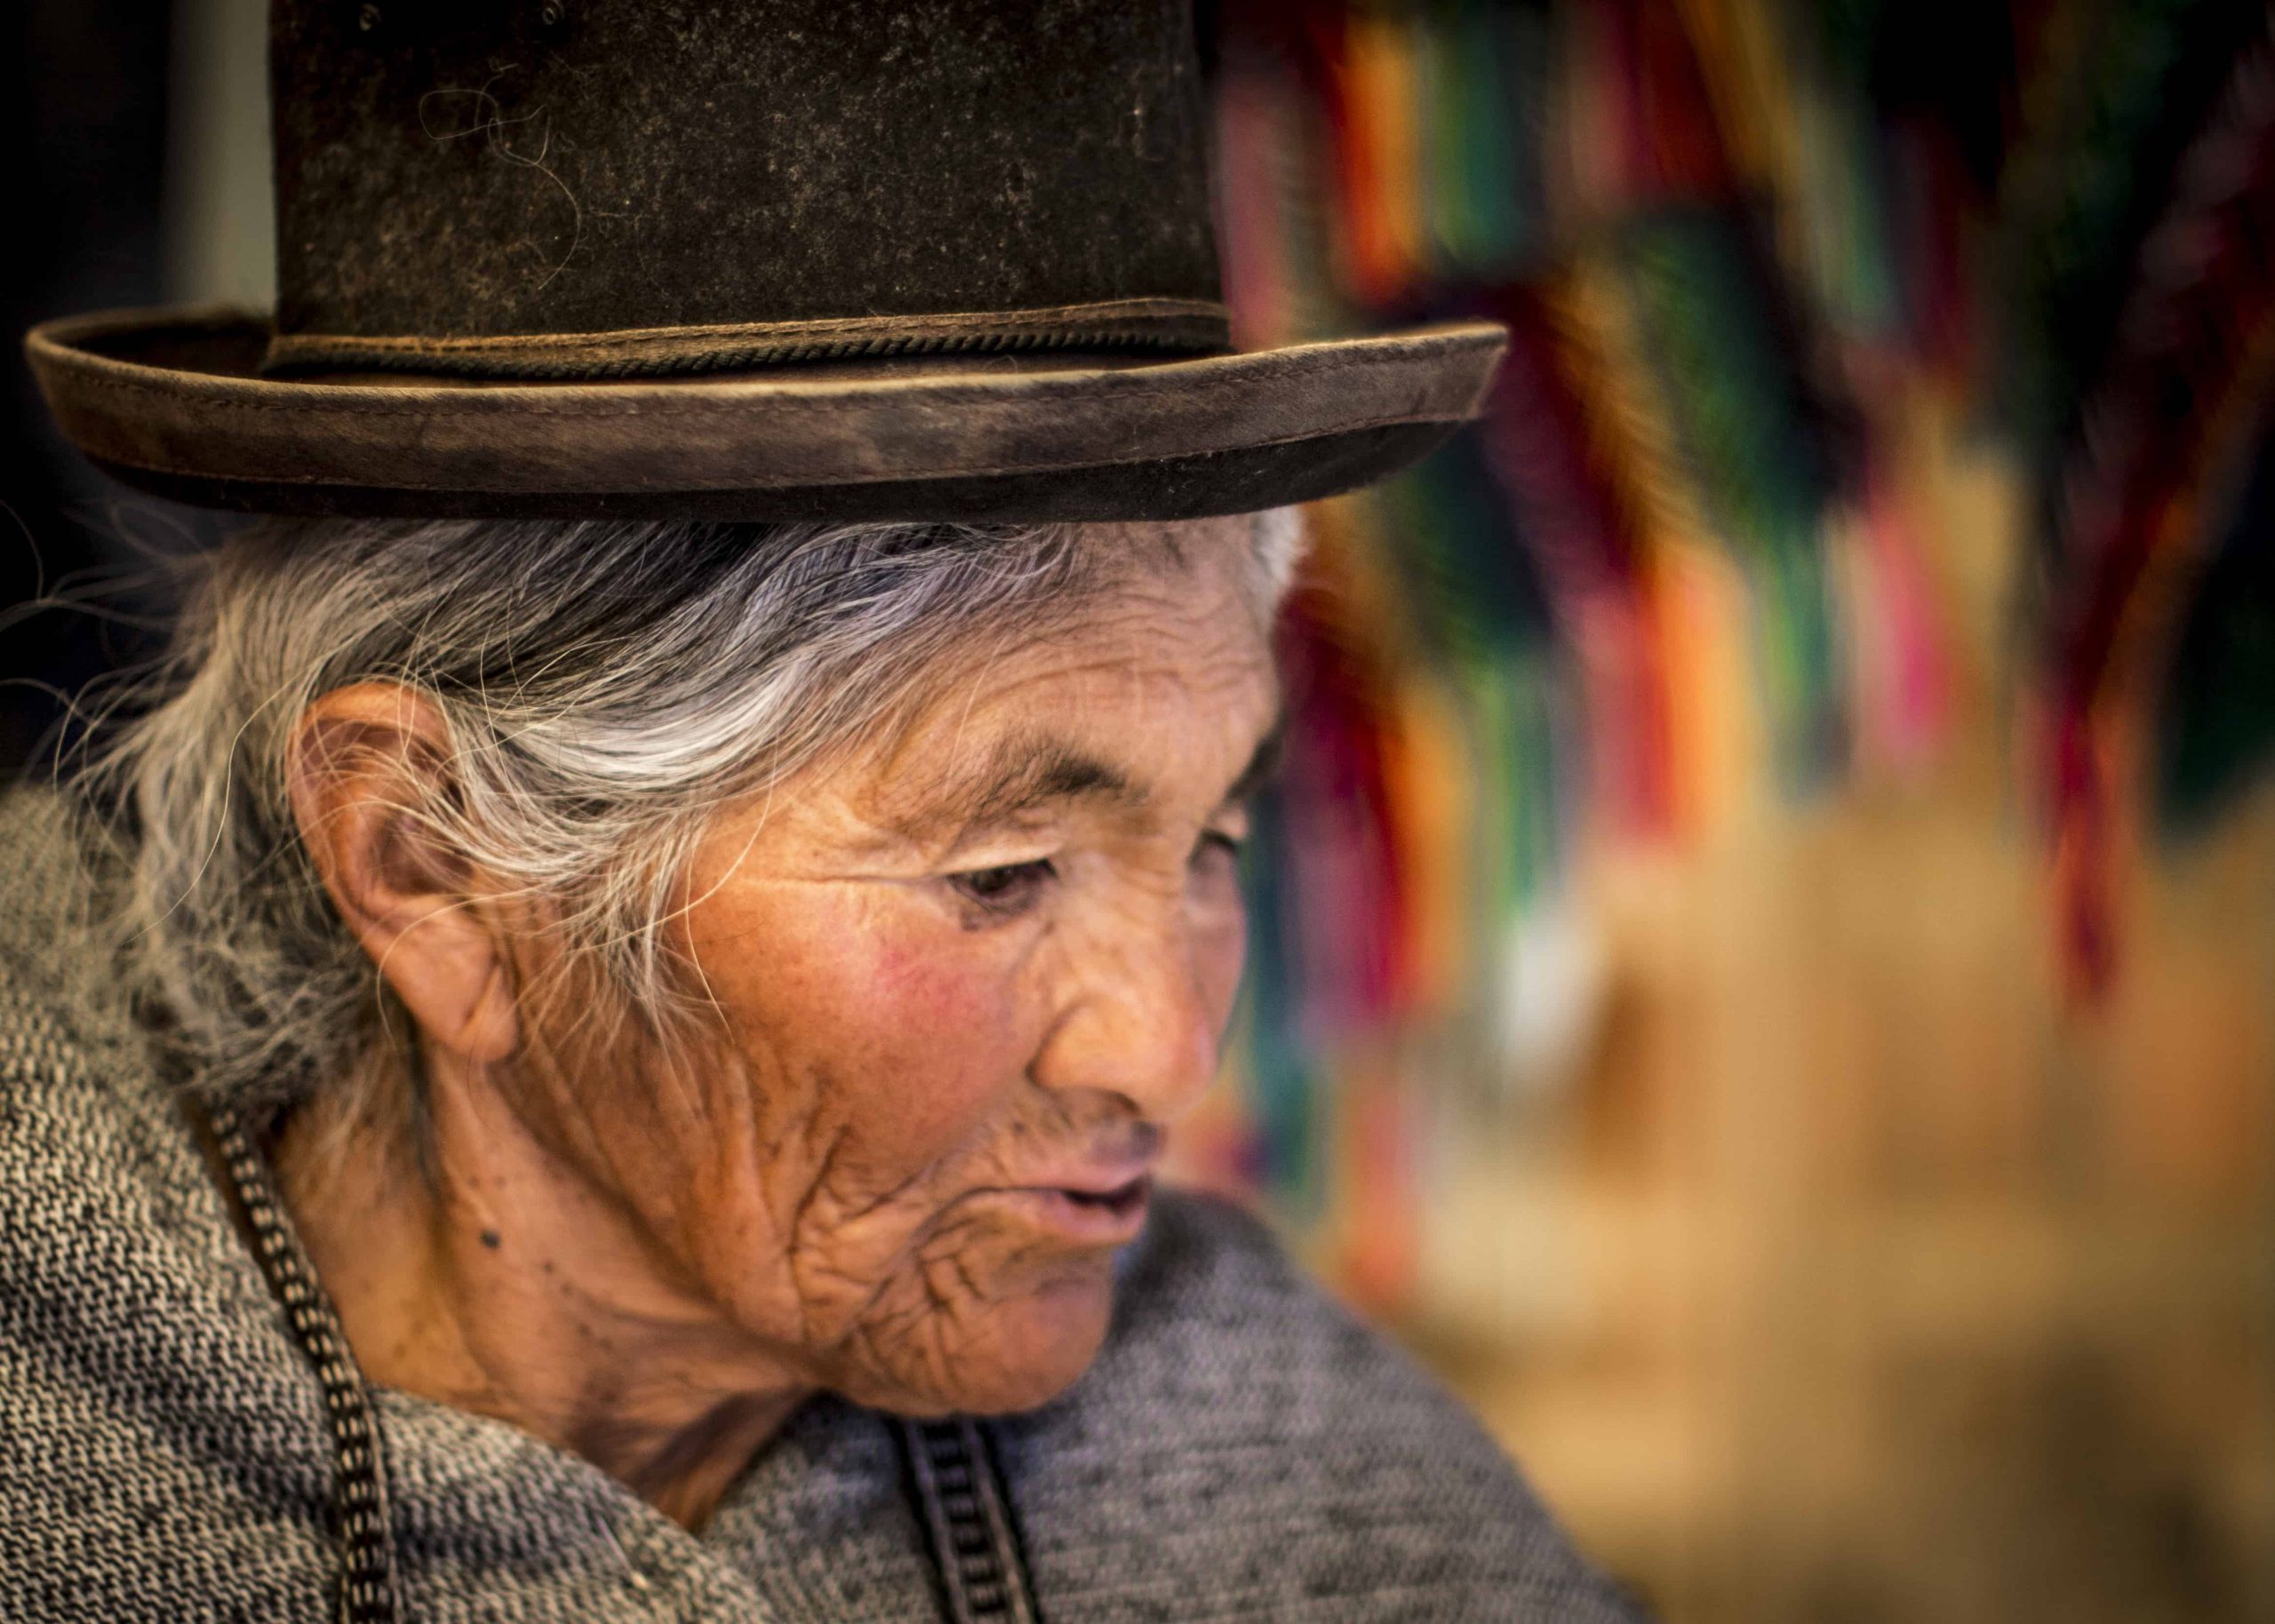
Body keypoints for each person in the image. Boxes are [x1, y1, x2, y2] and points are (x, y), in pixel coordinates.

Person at [6, 3, 1641, 1619]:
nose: (1166, 1055)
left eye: (1211, 840)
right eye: (1002, 876)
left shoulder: (1293, 1488)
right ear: (430, 862)